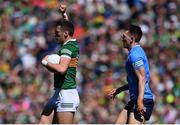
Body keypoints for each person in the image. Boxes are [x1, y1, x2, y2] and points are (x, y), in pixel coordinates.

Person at [39, 3, 80, 124]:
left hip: (66, 94)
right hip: (59, 92)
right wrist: (64, 15)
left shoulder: (67, 49)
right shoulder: (71, 43)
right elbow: (67, 27)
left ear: (65, 34)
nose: (55, 35)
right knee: (43, 122)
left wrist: (45, 62)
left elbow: (62, 69)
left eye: (57, 33)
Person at [108, 24, 154, 124]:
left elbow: (142, 78)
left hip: (143, 100)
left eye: (124, 36)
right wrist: (119, 90)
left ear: (131, 39)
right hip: (134, 100)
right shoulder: (133, 53)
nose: (122, 39)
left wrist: (140, 101)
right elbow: (136, 81)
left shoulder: (135, 55)